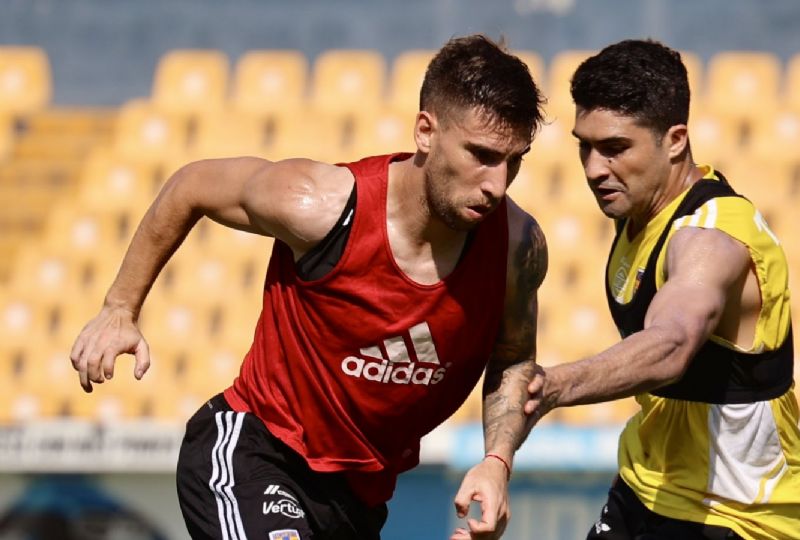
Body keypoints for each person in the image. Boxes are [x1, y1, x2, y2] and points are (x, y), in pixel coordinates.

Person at [69, 34, 547, 540]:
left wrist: (497, 461)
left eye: (513, 161)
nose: (497, 183)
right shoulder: (319, 207)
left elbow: (513, 358)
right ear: (426, 132)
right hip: (257, 451)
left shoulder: (517, 246)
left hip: (359, 500)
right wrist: (120, 307)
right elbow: (192, 186)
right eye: (481, 155)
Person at [524, 39, 800, 540]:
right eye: (584, 146)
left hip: (734, 516)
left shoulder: (713, 237)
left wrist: (554, 386)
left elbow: (673, 343)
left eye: (615, 148)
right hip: (645, 488)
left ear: (675, 139)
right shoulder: (641, 215)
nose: (594, 169)